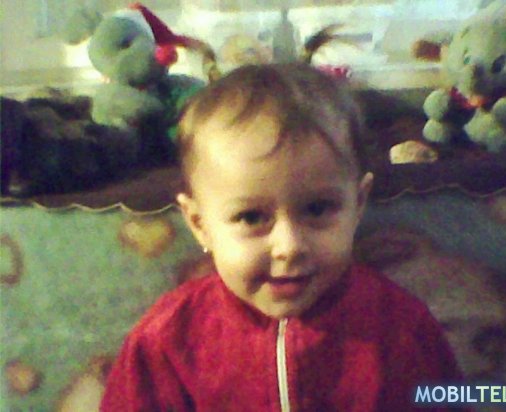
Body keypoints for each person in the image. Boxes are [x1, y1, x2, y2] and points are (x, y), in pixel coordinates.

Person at [101, 63, 465, 411]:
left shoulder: (400, 326)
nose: (289, 246)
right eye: (251, 217)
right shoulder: (166, 339)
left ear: (357, 205)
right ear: (200, 224)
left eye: (318, 209)